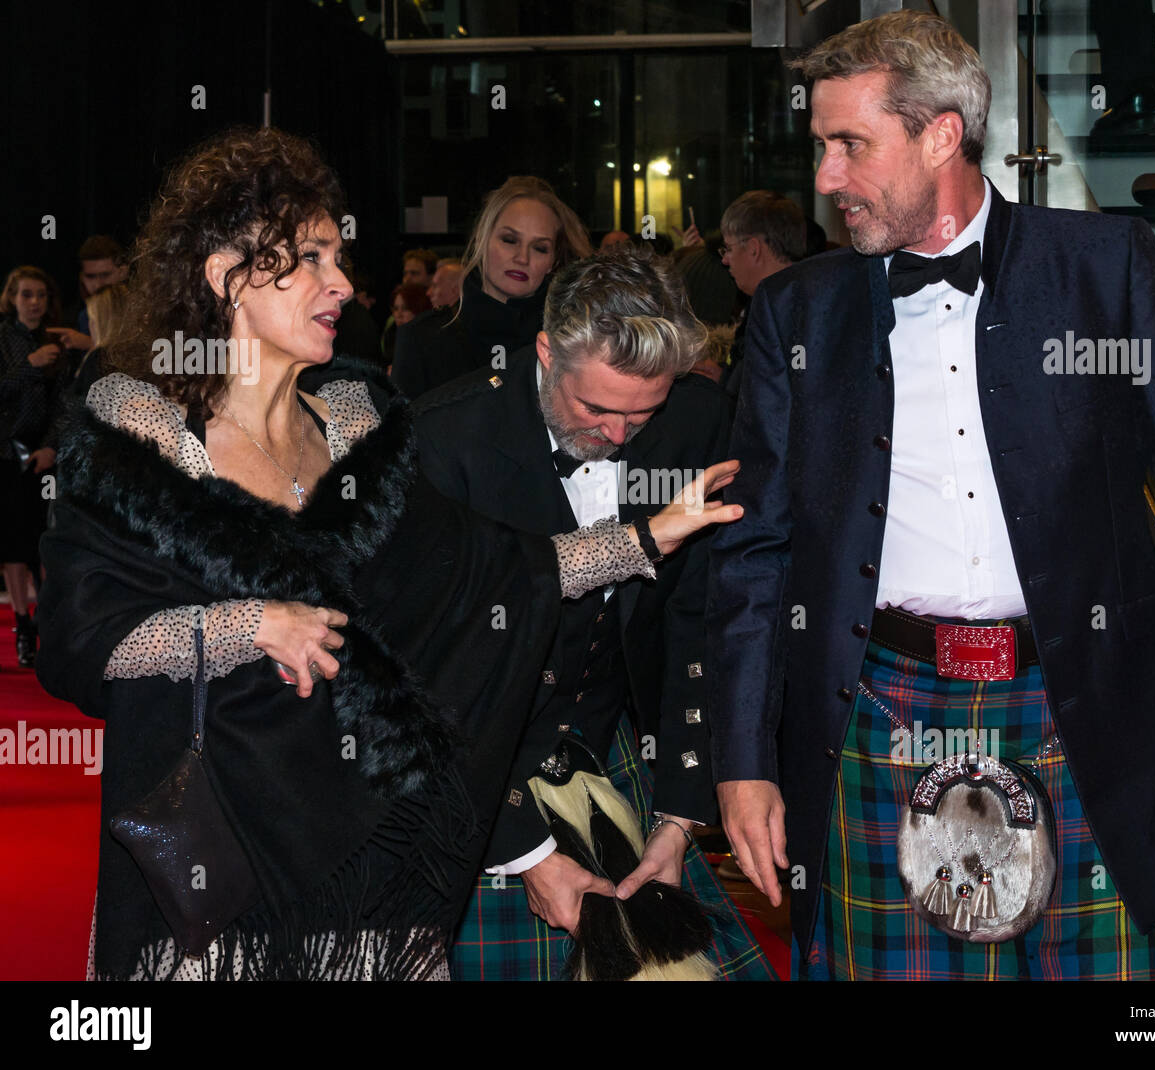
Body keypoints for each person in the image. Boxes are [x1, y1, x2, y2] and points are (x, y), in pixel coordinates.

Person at [35, 126, 740, 981]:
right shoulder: (136, 436)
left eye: (340, 256)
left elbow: (490, 571)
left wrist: (641, 540)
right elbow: (80, 641)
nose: (342, 282)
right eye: (312, 259)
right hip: (217, 873)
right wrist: (250, 624)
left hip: (372, 869)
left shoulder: (358, 424)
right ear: (227, 276)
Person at [707, 11, 1155, 982]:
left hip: (1087, 711)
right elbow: (753, 556)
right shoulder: (791, 313)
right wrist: (741, 757)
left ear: (941, 133)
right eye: (820, 147)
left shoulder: (1105, 270)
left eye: (848, 145)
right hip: (876, 710)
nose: (825, 178)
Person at [414, 247, 776, 981]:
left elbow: (697, 621)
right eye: (596, 409)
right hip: (469, 777)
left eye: (643, 412)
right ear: (547, 352)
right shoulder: (444, 442)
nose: (618, 436)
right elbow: (420, 680)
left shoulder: (698, 422)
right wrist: (525, 850)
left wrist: (677, 818)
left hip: (620, 755)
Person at [390, 177, 591, 401]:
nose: (522, 258)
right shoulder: (421, 339)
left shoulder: (572, 344)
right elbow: (401, 431)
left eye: (539, 248)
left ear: (552, 262)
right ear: (481, 241)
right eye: (509, 240)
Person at [0, 266, 69, 667]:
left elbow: (66, 404)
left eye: (40, 295)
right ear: (12, 298)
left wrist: (51, 448)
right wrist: (29, 363)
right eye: (26, 295)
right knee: (12, 542)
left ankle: (47, 621)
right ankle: (23, 623)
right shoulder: (3, 339)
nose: (34, 302)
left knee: (46, 537)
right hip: (6, 456)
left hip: (45, 458)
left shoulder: (57, 340)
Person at [717, 191, 805, 396]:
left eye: (728, 248)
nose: (725, 260)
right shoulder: (795, 302)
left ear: (754, 249)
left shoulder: (785, 314)